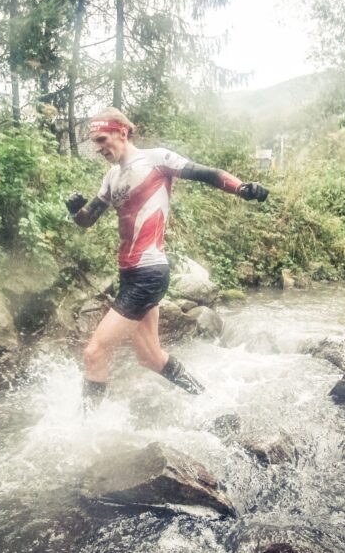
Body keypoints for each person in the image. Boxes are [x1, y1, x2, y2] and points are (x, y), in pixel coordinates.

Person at [66, 107, 268, 409]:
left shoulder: (156, 159)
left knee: (94, 353)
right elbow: (87, 220)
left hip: (148, 272)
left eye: (101, 139)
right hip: (129, 274)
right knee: (150, 357)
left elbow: (206, 174)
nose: (97, 148)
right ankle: (209, 399)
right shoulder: (111, 177)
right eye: (94, 142)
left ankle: (87, 427)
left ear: (122, 132)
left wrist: (241, 188)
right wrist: (75, 211)